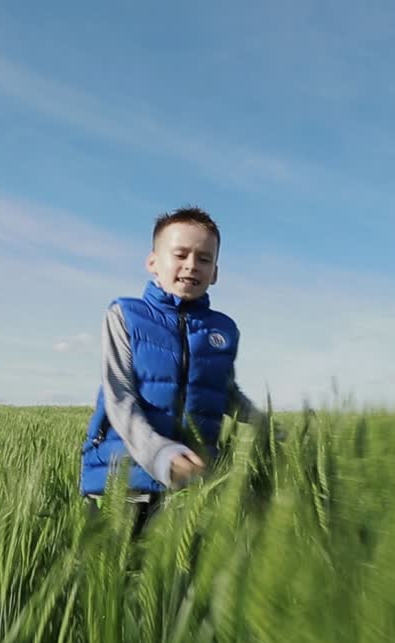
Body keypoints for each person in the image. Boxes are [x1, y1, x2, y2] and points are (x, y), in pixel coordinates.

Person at [78, 205, 269, 536]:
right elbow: (119, 396)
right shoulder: (125, 314)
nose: (192, 265)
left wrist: (270, 430)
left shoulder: (223, 329)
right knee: (113, 579)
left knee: (182, 582)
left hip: (191, 483)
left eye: (204, 259)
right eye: (180, 254)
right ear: (153, 262)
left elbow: (224, 393)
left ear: (216, 272)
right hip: (124, 480)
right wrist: (161, 454)